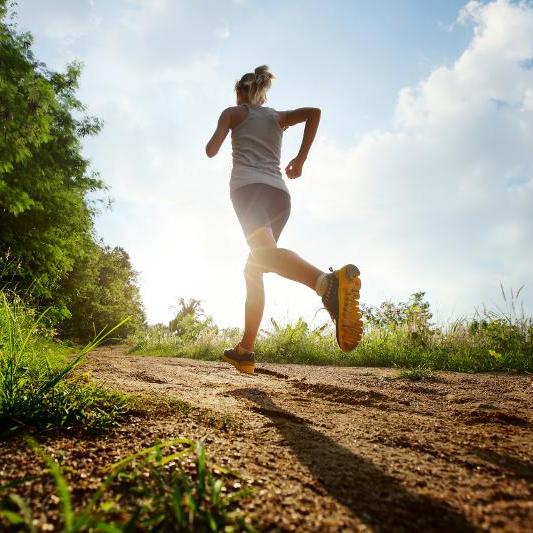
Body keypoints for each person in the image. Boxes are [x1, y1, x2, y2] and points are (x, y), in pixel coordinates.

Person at [206, 65, 362, 375]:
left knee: (262, 257)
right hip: (279, 195)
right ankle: (245, 350)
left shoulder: (234, 112)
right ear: (262, 95)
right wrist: (300, 159)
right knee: (256, 266)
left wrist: (226, 124)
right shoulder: (277, 117)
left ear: (241, 93)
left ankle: (327, 283)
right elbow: (314, 113)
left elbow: (211, 150)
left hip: (248, 190)